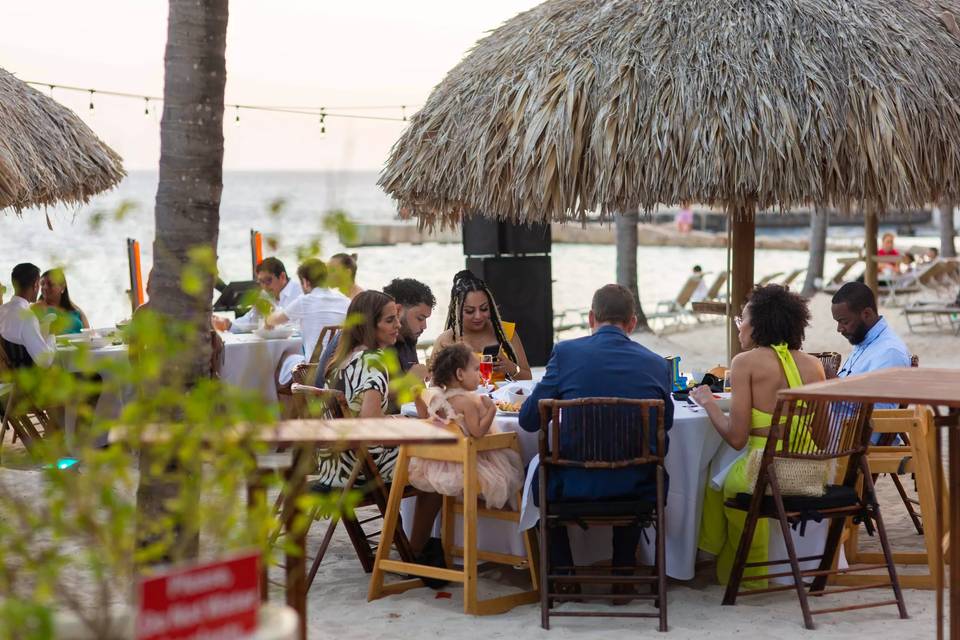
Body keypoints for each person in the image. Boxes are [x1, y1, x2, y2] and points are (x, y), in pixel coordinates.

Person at [518, 284, 674, 598]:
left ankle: (564, 574)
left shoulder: (566, 353)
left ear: (591, 317)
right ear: (632, 322)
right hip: (636, 489)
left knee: (536, 472)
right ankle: (623, 574)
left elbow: (529, 420)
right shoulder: (657, 364)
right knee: (637, 459)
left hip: (574, 485)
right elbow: (666, 422)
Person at [693, 284, 825, 587]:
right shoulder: (814, 365)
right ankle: (714, 554)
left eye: (742, 319)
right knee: (721, 477)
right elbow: (821, 435)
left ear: (760, 324)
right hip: (811, 474)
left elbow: (736, 438)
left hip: (763, 474)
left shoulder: (745, 363)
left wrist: (708, 403)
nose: (739, 327)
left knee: (719, 477)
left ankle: (728, 563)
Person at [408, 343, 523, 514]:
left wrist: (418, 399)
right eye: (476, 369)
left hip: (440, 462)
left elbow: (426, 418)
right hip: (468, 462)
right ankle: (507, 526)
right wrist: (490, 411)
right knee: (510, 465)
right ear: (460, 374)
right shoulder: (467, 402)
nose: (480, 374)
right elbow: (477, 432)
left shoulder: (438, 398)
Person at [315, 290, 402, 487]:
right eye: (390, 320)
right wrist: (402, 421)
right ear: (370, 326)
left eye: (396, 318)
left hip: (333, 466)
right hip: (362, 468)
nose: (398, 325)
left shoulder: (343, 358)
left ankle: (400, 518)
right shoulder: (373, 360)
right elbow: (371, 426)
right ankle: (401, 519)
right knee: (439, 462)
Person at [316, 278, 435, 388]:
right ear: (398, 310)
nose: (424, 326)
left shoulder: (406, 339)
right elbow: (352, 397)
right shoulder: (356, 341)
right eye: (420, 318)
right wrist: (406, 382)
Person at [431, 270, 532, 381]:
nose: (478, 316)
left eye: (484, 309)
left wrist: (511, 368)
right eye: (470, 311)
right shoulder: (445, 341)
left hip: (502, 398)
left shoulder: (505, 332)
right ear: (457, 310)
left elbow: (528, 377)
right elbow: (433, 385)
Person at [267, 258, 349, 386]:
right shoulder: (345, 300)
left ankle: (293, 404)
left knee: (279, 364)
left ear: (305, 282)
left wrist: (267, 316)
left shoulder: (305, 301)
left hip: (314, 369)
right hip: (342, 366)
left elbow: (274, 321)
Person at [830, 282, 910, 409]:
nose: (839, 329)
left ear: (866, 314)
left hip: (853, 428)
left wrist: (833, 384)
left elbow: (880, 413)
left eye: (844, 322)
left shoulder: (889, 352)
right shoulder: (863, 339)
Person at [212, 257, 302, 332]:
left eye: (268, 280)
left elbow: (293, 325)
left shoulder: (300, 292)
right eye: (261, 282)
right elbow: (250, 320)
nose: (264, 286)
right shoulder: (265, 294)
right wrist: (228, 324)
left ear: (282, 277)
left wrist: (272, 312)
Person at [0, 263, 56, 368]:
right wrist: (51, 335)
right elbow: (45, 362)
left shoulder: (2, 310)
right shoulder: (27, 317)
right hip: (30, 381)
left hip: (9, 377)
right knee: (93, 377)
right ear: (35, 285)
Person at [32, 268, 90, 335]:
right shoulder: (37, 307)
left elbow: (88, 334)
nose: (45, 287)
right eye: (42, 284)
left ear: (62, 287)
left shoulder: (75, 309)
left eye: (50, 284)